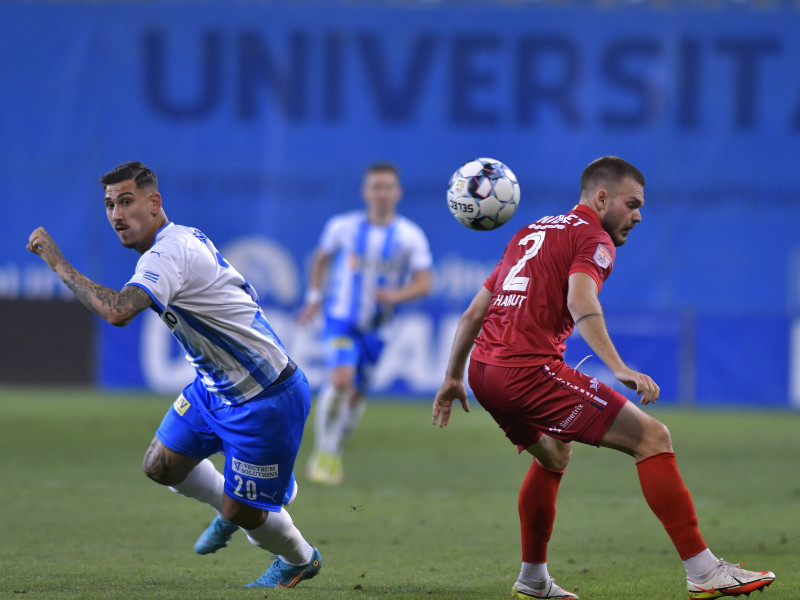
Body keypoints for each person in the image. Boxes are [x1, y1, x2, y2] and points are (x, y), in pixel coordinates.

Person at [432, 156, 775, 600]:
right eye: (631, 204)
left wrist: (453, 375)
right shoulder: (592, 238)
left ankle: (533, 580)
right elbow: (580, 299)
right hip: (525, 369)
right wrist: (619, 367)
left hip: (484, 370)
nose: (637, 216)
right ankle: (704, 570)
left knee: (554, 454)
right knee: (652, 437)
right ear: (601, 197)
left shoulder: (529, 232)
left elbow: (475, 311)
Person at [27, 162, 321, 589]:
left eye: (126, 202)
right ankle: (245, 491)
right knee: (160, 466)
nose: (116, 215)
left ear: (154, 202)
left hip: (265, 398)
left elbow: (118, 311)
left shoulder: (169, 252)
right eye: (109, 205)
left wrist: (57, 263)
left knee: (246, 516)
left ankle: (299, 558)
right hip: (214, 388)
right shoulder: (176, 241)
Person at [298, 162, 433, 485]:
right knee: (342, 378)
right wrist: (315, 297)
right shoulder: (342, 227)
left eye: (388, 186)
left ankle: (333, 451)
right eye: (376, 186)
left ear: (397, 192)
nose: (382, 193)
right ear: (365, 191)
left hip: (377, 329)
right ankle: (323, 453)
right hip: (340, 320)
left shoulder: (409, 235)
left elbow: (425, 282)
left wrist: (398, 295)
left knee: (356, 395)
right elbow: (321, 258)